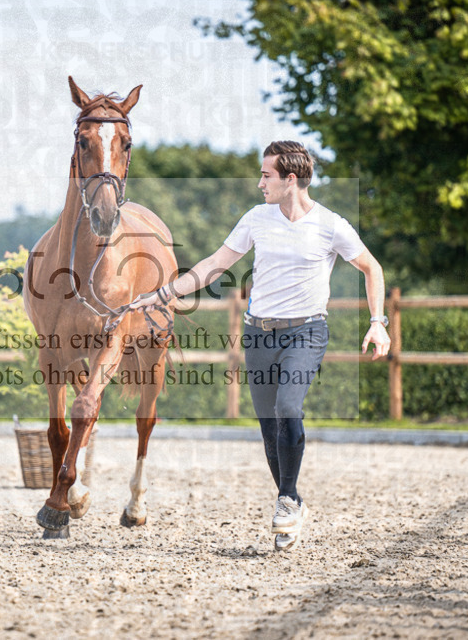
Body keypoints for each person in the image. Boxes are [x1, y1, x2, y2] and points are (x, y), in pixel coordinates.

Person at [128, 140, 390, 551]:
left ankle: (285, 500)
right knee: (269, 427)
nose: (258, 183)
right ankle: (293, 500)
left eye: (266, 175)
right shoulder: (257, 219)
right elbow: (215, 264)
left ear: (291, 179)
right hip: (258, 334)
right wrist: (162, 293)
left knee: (289, 408)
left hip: (306, 331)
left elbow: (371, 268)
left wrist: (378, 323)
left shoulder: (330, 225)